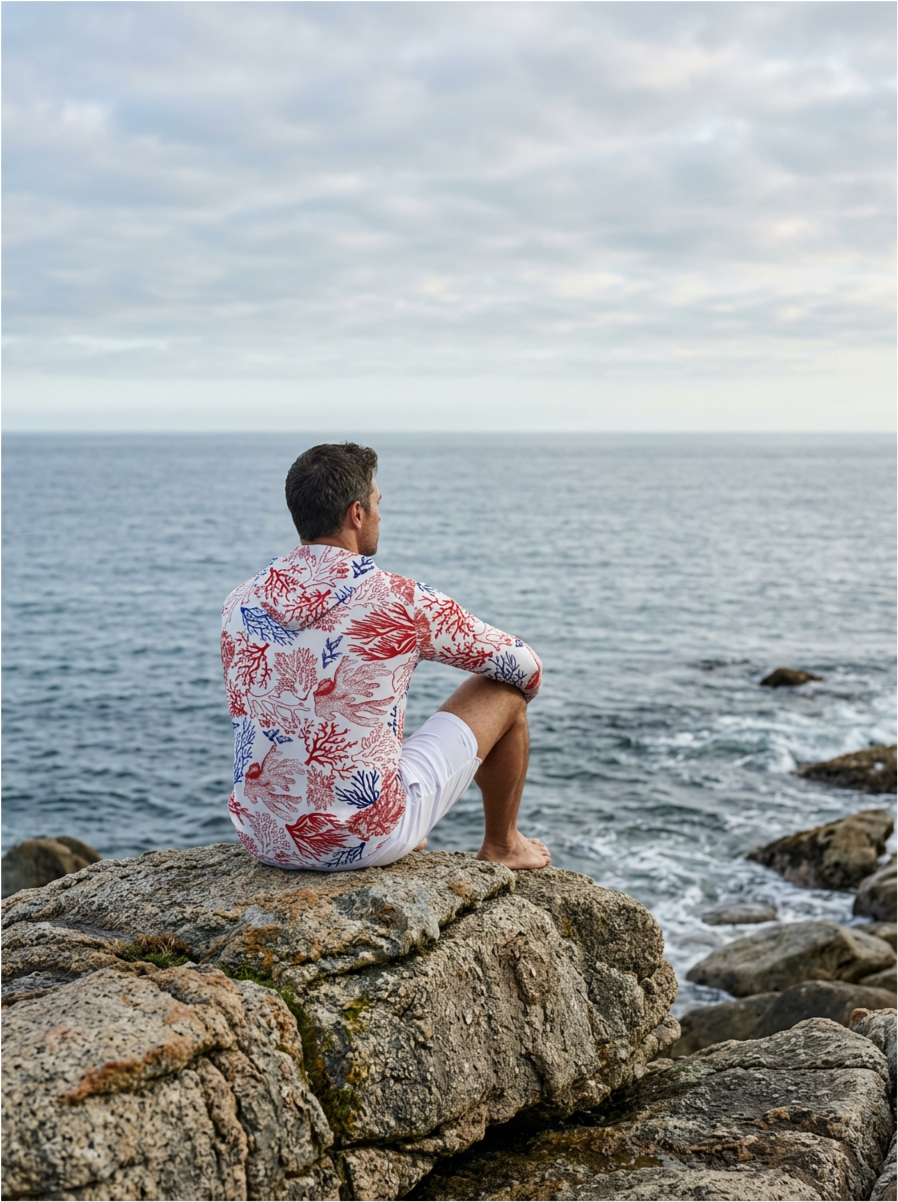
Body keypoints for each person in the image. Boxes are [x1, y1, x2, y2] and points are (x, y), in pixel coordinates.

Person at [222, 441, 549, 873]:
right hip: (364, 838)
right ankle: (504, 844)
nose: (380, 515)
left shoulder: (240, 600)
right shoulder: (400, 599)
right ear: (356, 514)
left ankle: (396, 816)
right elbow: (526, 668)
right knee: (504, 690)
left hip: (262, 839)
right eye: (377, 503)